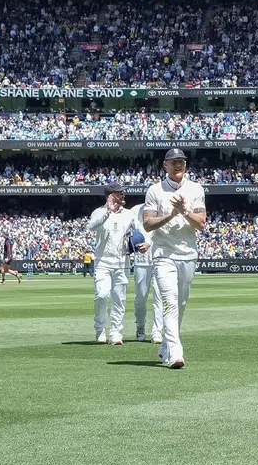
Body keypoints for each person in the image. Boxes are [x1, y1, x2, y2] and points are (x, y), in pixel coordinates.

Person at [143, 148, 207, 369]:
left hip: (187, 254)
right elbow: (147, 223)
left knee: (180, 303)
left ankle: (165, 348)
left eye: (182, 161)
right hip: (163, 254)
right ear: (165, 165)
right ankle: (176, 353)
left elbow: (200, 223)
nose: (178, 165)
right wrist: (170, 214)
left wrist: (183, 211)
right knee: (169, 302)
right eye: (174, 162)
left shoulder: (195, 188)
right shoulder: (155, 190)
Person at [88, 184, 135, 345]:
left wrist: (144, 242)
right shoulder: (99, 212)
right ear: (110, 195)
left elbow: (141, 231)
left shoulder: (129, 214)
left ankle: (115, 333)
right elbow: (92, 226)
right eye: (119, 193)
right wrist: (108, 211)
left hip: (122, 262)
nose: (123, 195)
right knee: (101, 295)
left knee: (119, 299)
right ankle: (100, 329)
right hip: (103, 261)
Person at [129, 201, 163, 343]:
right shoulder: (135, 210)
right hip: (142, 260)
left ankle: (157, 331)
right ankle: (140, 328)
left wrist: (151, 243)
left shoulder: (163, 207)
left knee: (159, 296)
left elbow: (165, 234)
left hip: (160, 257)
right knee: (141, 297)